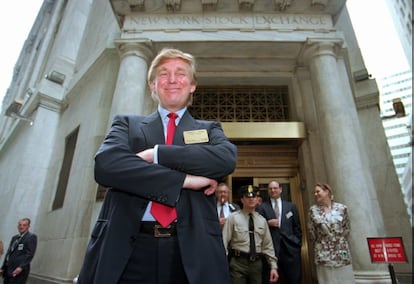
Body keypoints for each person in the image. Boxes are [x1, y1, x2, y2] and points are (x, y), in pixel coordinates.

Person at [77, 48, 238, 284]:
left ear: (192, 85)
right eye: (163, 74)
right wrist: (185, 180)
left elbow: (225, 159)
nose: (172, 79)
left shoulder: (209, 129)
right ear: (152, 85)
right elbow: (106, 165)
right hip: (127, 250)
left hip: (191, 254)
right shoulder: (127, 124)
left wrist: (157, 154)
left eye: (180, 73)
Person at [222, 185, 279, 284]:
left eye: (254, 197)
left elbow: (268, 245)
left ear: (257, 200)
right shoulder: (233, 218)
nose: (251, 199)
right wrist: (222, 263)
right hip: (238, 262)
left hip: (256, 263)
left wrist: (273, 267)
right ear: (242, 200)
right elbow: (224, 241)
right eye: (247, 197)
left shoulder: (262, 220)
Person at [307, 182, 355, 284]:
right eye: (314, 192)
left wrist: (338, 240)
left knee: (345, 279)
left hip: (341, 251)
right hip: (323, 253)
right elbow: (312, 232)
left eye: (318, 191)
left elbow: (347, 228)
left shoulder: (342, 208)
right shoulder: (313, 210)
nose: (315, 194)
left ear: (327, 192)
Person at [257, 180, 302, 284]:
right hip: (271, 251)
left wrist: (297, 243)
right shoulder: (262, 207)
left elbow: (297, 227)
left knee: (293, 279)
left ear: (280, 190)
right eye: (270, 188)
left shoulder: (291, 206)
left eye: (275, 188)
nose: (273, 190)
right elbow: (257, 228)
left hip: (290, 250)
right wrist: (267, 223)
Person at [0, 218, 37, 284]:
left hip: (19, 271)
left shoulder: (31, 237)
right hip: (8, 270)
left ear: (28, 226)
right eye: (20, 225)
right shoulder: (14, 238)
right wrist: (3, 267)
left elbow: (30, 254)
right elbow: (9, 253)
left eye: (24, 225)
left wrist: (21, 267)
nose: (21, 227)